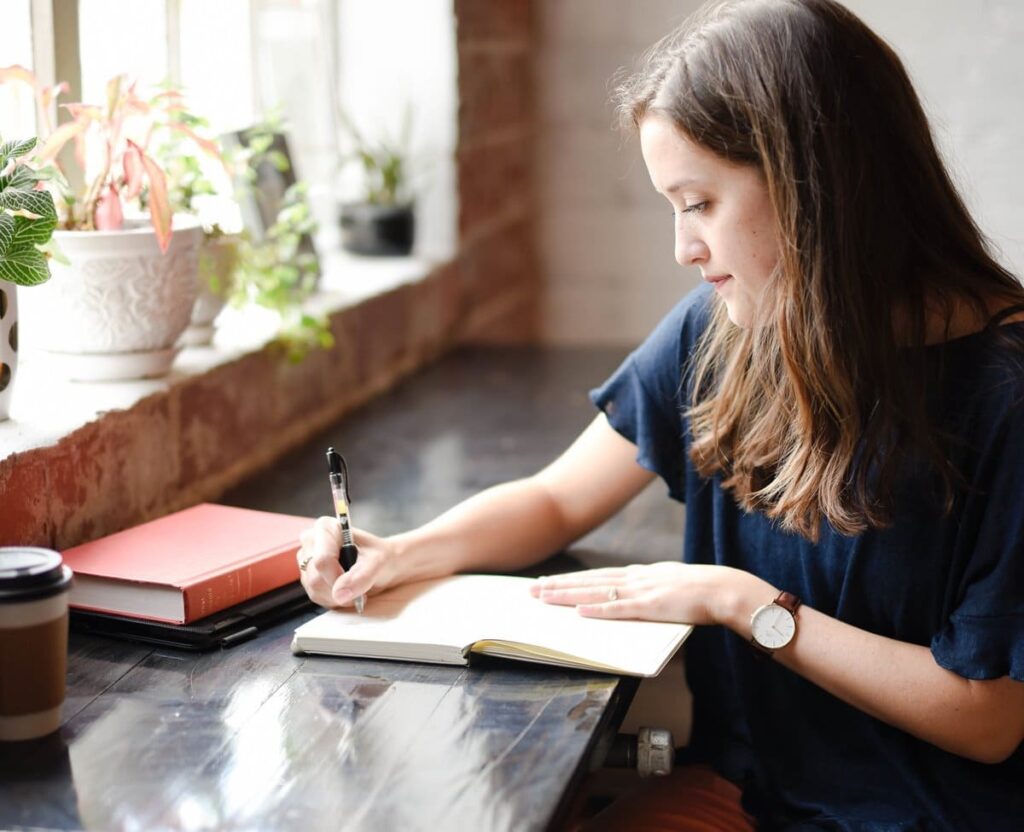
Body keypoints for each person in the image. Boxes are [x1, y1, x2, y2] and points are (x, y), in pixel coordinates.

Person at [297, 0, 1024, 828]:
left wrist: (743, 603)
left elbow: (987, 718)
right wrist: (401, 553)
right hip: (752, 796)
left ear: (814, 183)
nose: (683, 248)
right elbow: (556, 499)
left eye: (700, 203)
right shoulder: (723, 331)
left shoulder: (1007, 395)